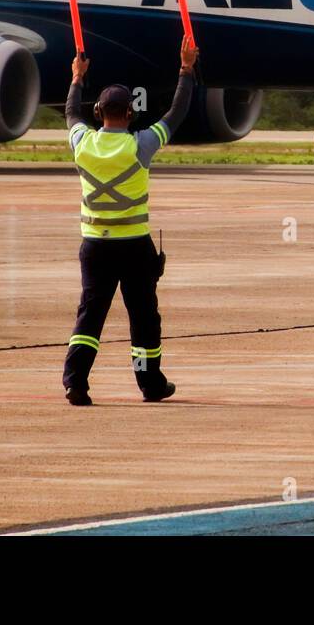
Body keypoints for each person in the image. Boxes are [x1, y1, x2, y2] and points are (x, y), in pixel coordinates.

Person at [61, 36, 197, 406]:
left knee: (90, 317)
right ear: (130, 114)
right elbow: (177, 112)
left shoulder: (82, 143)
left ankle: (75, 382)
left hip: (94, 246)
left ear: (99, 113)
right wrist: (185, 69)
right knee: (143, 320)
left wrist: (76, 77)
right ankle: (149, 382)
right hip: (134, 246)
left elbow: (71, 112)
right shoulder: (141, 144)